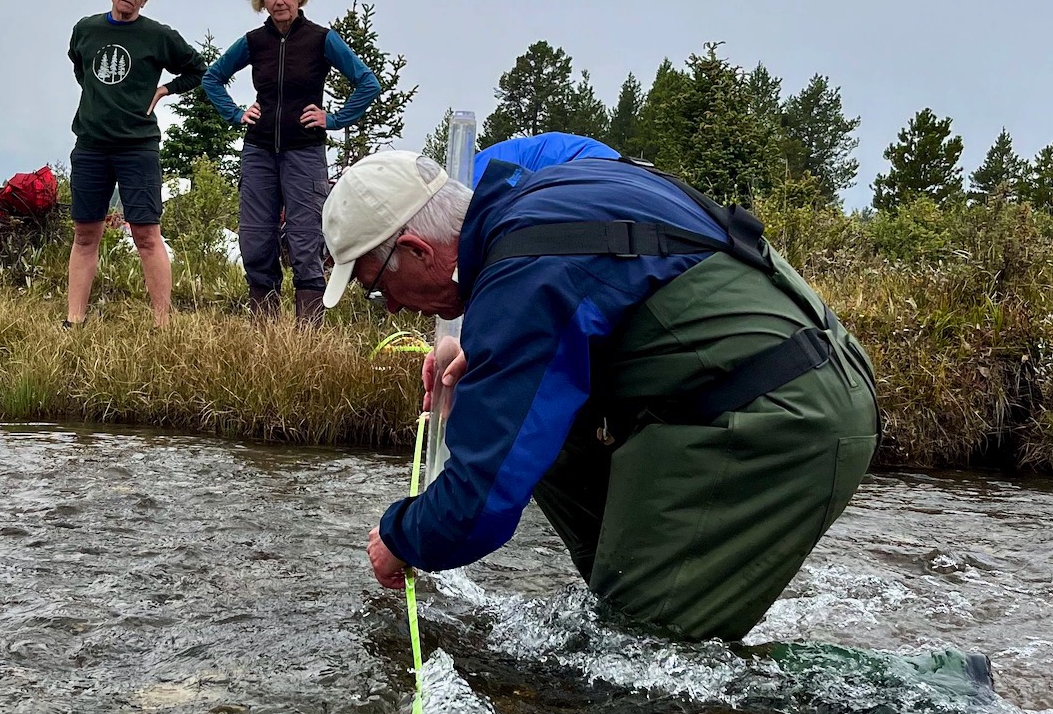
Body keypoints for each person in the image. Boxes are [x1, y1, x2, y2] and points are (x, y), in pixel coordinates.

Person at [320, 134, 882, 643]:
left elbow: (480, 500)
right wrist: (478, 342)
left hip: (781, 415)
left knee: (643, 656)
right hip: (795, 378)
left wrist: (401, 535)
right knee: (558, 462)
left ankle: (931, 694)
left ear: (417, 250)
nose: (391, 306)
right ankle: (634, 586)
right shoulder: (543, 190)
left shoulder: (524, 274)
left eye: (377, 287)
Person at [202, 0, 381, 325]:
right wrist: (236, 114)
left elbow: (367, 83)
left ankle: (307, 338)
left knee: (304, 241)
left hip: (305, 153)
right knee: (255, 240)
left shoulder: (321, 39)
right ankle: (265, 333)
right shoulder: (254, 42)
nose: (279, 0)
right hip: (259, 152)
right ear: (262, 0)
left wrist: (333, 119)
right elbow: (212, 78)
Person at [66, 0, 207, 329]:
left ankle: (162, 323)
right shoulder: (85, 30)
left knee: (146, 234)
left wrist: (164, 89)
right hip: (91, 145)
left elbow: (197, 69)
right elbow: (81, 69)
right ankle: (74, 320)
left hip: (137, 147)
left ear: (146, 0)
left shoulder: (157, 36)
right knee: (85, 235)